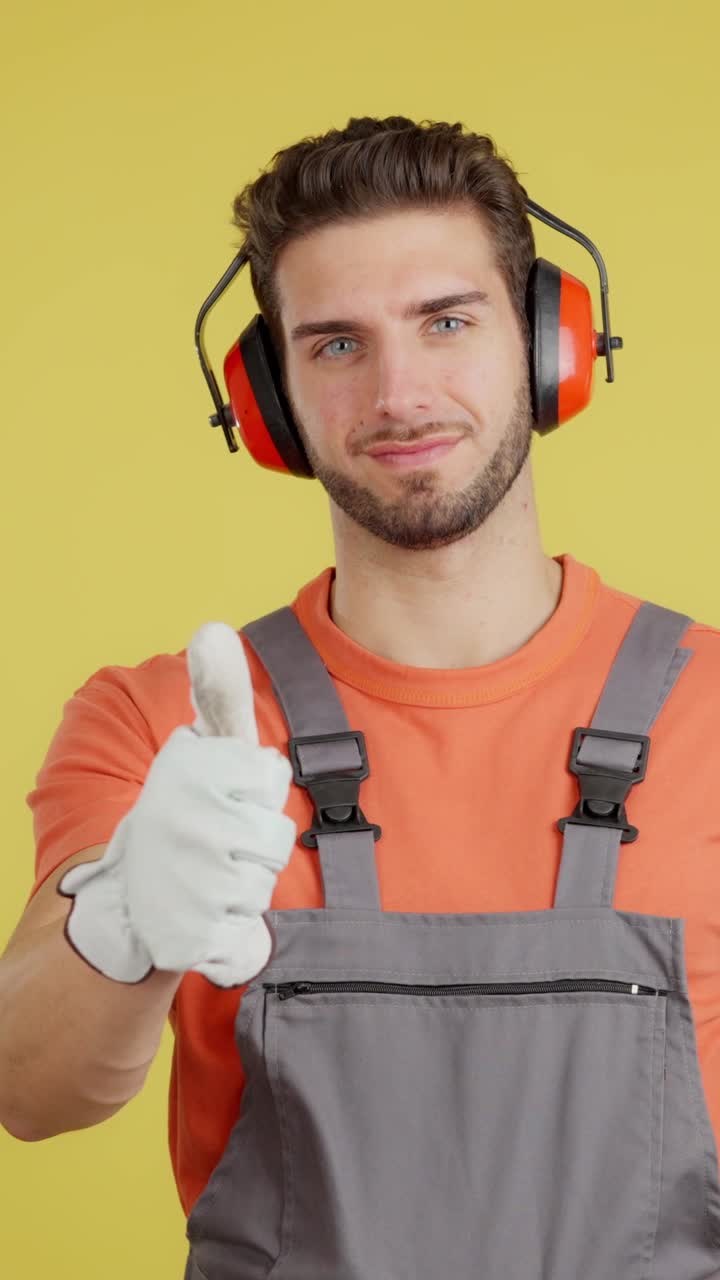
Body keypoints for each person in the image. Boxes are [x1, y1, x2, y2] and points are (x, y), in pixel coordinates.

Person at [2, 115, 720, 1279]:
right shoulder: (165, 723)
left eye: (448, 321)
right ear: (270, 399)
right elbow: (29, 1090)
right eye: (336, 344)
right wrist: (119, 919)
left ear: (552, 344)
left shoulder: (712, 710)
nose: (399, 392)